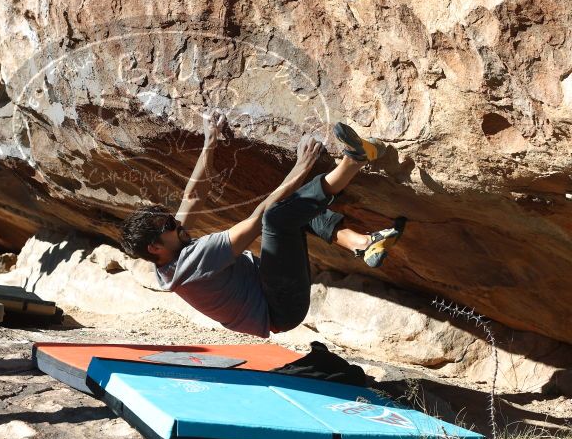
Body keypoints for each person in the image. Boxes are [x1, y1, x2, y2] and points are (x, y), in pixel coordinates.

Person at [120, 115, 406, 338]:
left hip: (274, 293)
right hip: (281, 309)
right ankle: (354, 161)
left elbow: (193, 197)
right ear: (155, 247)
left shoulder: (170, 255)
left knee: (291, 212)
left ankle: (363, 244)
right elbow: (259, 218)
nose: (176, 223)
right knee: (276, 218)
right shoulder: (194, 263)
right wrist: (301, 166)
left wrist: (210, 141)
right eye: (169, 225)